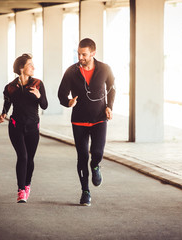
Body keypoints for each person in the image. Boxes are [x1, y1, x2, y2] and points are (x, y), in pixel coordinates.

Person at [58, 38, 116, 206]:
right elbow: (61, 94)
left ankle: (96, 165)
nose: (80, 57)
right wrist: (68, 102)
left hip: (99, 119)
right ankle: (85, 192)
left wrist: (109, 107)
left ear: (93, 53)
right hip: (79, 121)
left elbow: (112, 88)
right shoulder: (71, 71)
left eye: (84, 54)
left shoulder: (105, 69)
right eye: (78, 54)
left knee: (97, 152)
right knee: (82, 156)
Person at [0, 53, 48, 203]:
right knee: (23, 156)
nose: (34, 67)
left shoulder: (38, 84)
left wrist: (39, 96)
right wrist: (3, 114)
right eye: (30, 65)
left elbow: (45, 105)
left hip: (33, 127)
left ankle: (27, 185)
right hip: (15, 126)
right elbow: (7, 102)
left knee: (30, 159)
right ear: (21, 68)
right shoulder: (10, 87)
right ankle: (21, 191)